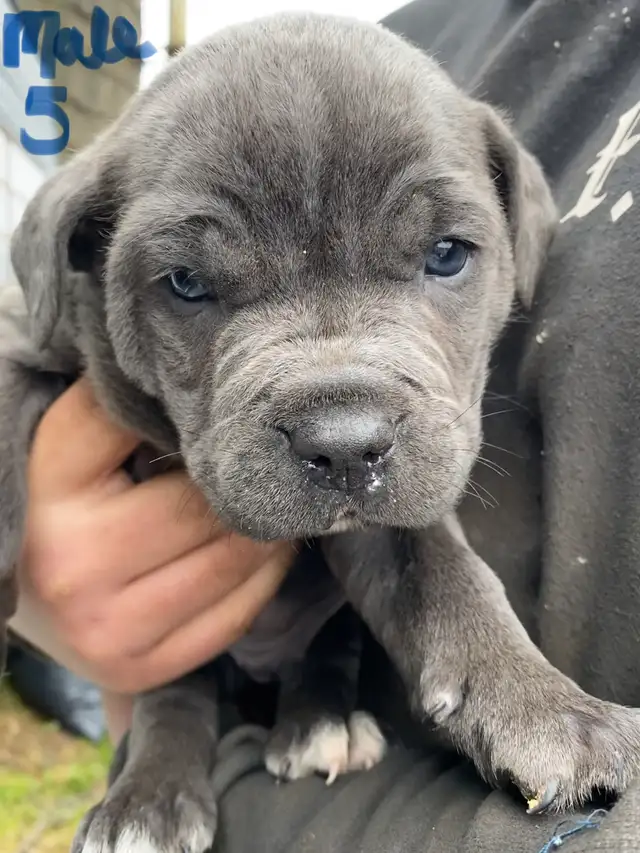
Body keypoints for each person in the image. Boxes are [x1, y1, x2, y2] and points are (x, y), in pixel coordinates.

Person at [8, 0, 640, 850]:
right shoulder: (454, 30)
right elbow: (18, 349)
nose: (344, 424)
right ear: (84, 249)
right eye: (193, 282)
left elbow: (392, 541)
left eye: (441, 254)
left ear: (517, 236)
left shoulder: (472, 130)